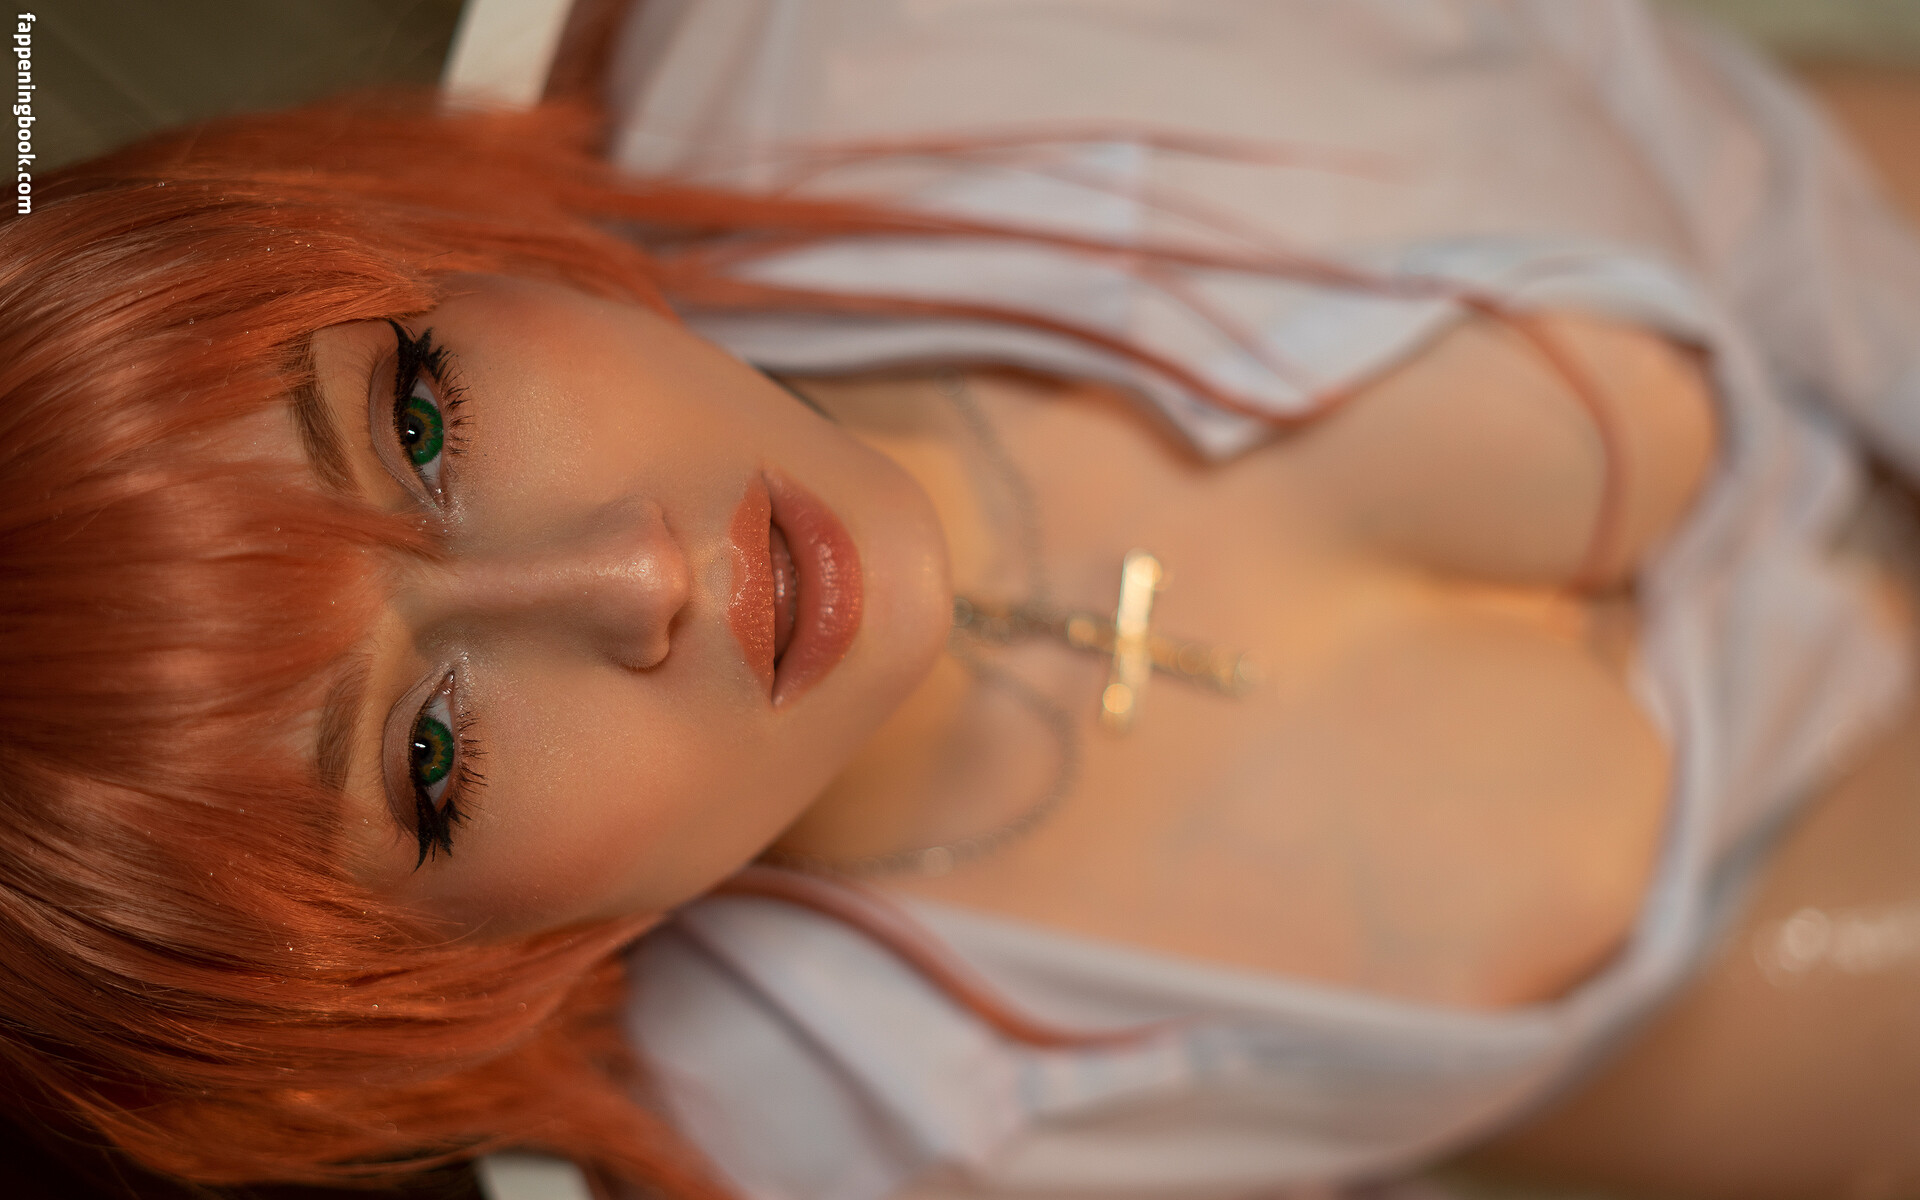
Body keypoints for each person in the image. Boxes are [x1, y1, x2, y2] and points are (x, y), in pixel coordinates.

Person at [4, 2, 1919, 1198]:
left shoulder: (871, 49)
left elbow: (1756, 152)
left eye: (419, 423)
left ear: (408, 259)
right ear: (429, 984)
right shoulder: (860, 1144)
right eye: (432, 757)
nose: (636, 574)